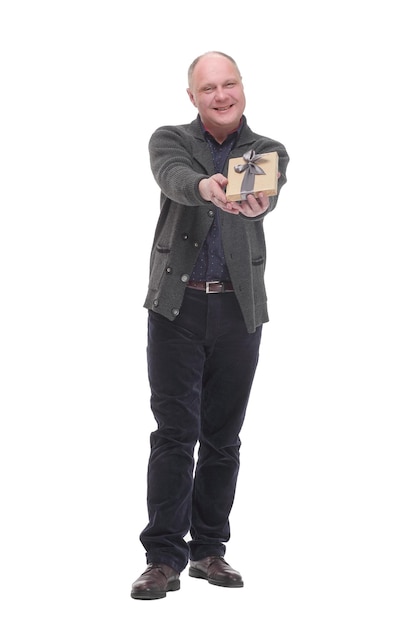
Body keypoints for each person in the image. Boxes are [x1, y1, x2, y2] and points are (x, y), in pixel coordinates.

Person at [131, 51, 289, 600]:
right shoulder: (170, 138)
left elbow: (264, 194)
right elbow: (173, 177)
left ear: (242, 87)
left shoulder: (265, 150)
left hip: (238, 311)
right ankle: (163, 557)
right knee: (174, 434)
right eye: (208, 88)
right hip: (176, 306)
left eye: (229, 84)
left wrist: (257, 202)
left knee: (222, 438)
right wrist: (205, 188)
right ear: (192, 97)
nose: (221, 96)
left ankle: (208, 551)